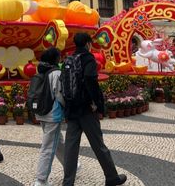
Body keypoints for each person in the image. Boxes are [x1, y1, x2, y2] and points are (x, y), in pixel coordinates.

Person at [62, 33, 126, 186]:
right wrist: (98, 104)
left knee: (70, 147)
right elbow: (91, 81)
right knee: (98, 144)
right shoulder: (88, 58)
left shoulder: (68, 59)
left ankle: (68, 182)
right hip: (86, 109)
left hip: (71, 109)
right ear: (87, 44)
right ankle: (112, 177)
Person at [33, 47, 68, 186]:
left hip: (41, 112)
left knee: (58, 142)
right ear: (55, 59)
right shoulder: (56, 73)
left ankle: (71, 166)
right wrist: (67, 108)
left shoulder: (40, 70)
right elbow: (59, 95)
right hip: (53, 114)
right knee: (48, 147)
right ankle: (41, 180)